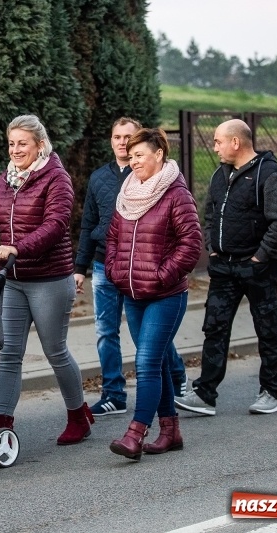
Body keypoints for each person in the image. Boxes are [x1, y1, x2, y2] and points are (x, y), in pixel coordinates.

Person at [0, 114, 92, 452]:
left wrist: (19, 246)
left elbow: (56, 224)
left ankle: (78, 416)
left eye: (23, 143)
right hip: (15, 280)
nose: (16, 149)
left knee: (55, 351)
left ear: (39, 145)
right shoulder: (5, 179)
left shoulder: (56, 178)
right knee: (9, 355)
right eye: (11, 143)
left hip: (50, 279)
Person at [175, 119, 277, 416]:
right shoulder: (221, 174)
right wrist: (213, 248)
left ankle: (271, 392)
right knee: (214, 328)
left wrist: (260, 257)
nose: (214, 147)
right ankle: (205, 394)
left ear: (236, 142)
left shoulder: (271, 174)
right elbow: (211, 212)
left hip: (258, 269)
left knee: (268, 329)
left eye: (218, 141)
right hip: (224, 268)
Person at [74, 117, 192, 417]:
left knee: (150, 349)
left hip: (153, 280)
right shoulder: (104, 179)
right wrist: (85, 267)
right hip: (110, 270)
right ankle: (115, 394)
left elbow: (189, 243)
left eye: (130, 138)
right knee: (107, 332)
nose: (123, 144)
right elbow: (95, 226)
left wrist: (160, 275)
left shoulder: (165, 185)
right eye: (117, 137)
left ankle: (163, 399)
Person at [104, 128, 202, 461]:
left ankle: (135, 433)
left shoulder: (176, 194)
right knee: (155, 361)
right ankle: (171, 430)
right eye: (130, 157)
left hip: (166, 295)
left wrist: (162, 275)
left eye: (140, 155)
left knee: (145, 361)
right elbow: (113, 240)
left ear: (159, 154)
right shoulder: (127, 192)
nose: (133, 162)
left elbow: (191, 245)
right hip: (132, 294)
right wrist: (116, 271)